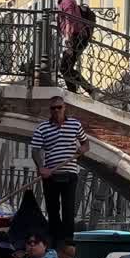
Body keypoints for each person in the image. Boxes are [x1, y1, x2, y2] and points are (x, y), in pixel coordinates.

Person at [31, 96, 89, 249]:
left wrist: (82, 149)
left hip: (69, 173)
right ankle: (56, 241)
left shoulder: (75, 125)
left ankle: (68, 241)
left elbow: (85, 143)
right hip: (51, 174)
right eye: (53, 108)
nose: (56, 110)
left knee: (68, 208)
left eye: (59, 107)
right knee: (52, 209)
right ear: (50, 110)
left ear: (64, 108)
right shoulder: (42, 128)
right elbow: (35, 150)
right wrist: (41, 168)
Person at [52, 0, 91, 94]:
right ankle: (74, 92)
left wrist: (68, 42)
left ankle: (88, 89)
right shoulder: (61, 2)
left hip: (77, 38)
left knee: (64, 67)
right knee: (66, 68)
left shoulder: (67, 1)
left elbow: (70, 20)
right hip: (76, 37)